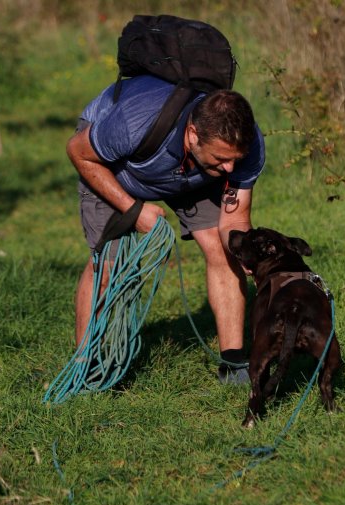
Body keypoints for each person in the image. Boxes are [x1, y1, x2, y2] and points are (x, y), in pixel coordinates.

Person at [66, 74, 265, 384]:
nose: (230, 169)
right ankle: (86, 368)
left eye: (234, 160)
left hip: (191, 174)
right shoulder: (135, 122)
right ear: (193, 134)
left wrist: (245, 253)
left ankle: (234, 365)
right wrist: (133, 209)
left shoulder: (246, 148)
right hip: (114, 168)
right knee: (107, 264)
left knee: (222, 248)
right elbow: (78, 152)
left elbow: (235, 218)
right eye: (222, 158)